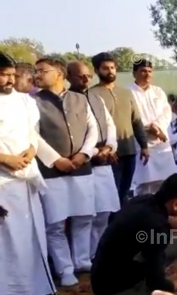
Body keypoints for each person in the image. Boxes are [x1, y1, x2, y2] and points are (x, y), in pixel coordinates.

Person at [34, 57, 98, 286]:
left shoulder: (80, 99)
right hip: (52, 173)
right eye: (36, 71)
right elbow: (33, 136)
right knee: (56, 224)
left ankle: (82, 261)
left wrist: (85, 154)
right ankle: (65, 268)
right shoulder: (33, 102)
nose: (37, 75)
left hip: (82, 168)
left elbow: (93, 129)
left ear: (59, 74)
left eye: (42, 70)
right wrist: (55, 159)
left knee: (83, 217)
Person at [0, 52, 55, 295]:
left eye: (12, 75)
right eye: (3, 75)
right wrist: (5, 159)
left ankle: (35, 288)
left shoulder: (26, 101)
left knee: (30, 240)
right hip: (2, 182)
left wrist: (31, 150)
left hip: (26, 180)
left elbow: (33, 132)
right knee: (7, 243)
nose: (9, 80)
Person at [90, 173, 177, 295]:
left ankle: (147, 274)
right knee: (167, 246)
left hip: (99, 275)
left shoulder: (141, 200)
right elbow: (156, 283)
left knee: (174, 241)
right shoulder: (157, 226)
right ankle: (138, 288)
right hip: (115, 289)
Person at [66, 61, 121, 258]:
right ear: (68, 76)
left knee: (104, 213)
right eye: (81, 76)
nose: (86, 79)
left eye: (88, 76)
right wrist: (93, 151)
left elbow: (109, 125)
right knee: (84, 217)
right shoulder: (66, 100)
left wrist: (109, 146)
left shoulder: (97, 98)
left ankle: (97, 253)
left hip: (104, 162)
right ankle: (81, 259)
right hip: (83, 164)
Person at [89, 52, 149, 206]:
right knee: (110, 196)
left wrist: (144, 145)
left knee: (124, 191)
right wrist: (104, 148)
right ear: (97, 70)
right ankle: (111, 227)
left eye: (112, 68)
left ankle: (121, 226)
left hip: (128, 151)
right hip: (108, 155)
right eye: (105, 68)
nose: (110, 71)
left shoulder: (126, 92)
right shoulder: (91, 94)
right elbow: (91, 125)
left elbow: (136, 120)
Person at [128, 59, 177, 196]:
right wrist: (149, 128)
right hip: (141, 143)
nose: (147, 74)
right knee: (143, 183)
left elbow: (166, 112)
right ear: (134, 73)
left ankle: (161, 212)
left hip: (161, 141)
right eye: (143, 71)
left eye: (150, 71)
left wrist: (158, 127)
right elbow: (132, 115)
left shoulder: (158, 91)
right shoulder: (128, 92)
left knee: (165, 182)